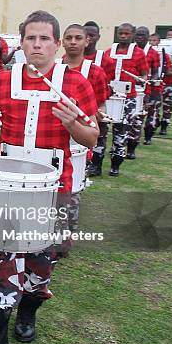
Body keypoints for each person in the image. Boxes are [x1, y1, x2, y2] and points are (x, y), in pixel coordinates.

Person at [0, 10, 98, 344]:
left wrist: (73, 125)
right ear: (21, 43)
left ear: (56, 44)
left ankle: (27, 313)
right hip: (7, 187)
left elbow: (93, 135)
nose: (37, 45)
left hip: (55, 189)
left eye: (44, 39)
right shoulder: (4, 80)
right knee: (0, 261)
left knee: (40, 263)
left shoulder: (76, 83)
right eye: (30, 38)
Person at [60, 24, 108, 230]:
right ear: (62, 41)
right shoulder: (52, 67)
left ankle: (67, 231)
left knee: (74, 185)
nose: (73, 42)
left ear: (86, 41)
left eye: (78, 38)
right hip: (55, 134)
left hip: (81, 136)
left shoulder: (95, 72)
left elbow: (101, 104)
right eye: (68, 38)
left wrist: (94, 114)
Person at [101, 23, 148, 177]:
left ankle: (116, 164)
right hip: (110, 96)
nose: (123, 36)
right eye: (120, 33)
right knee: (102, 130)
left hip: (128, 98)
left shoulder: (139, 53)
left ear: (132, 35)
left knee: (121, 131)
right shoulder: (109, 52)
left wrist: (140, 80)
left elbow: (143, 75)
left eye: (126, 34)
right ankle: (96, 163)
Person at [125, 26, 158, 159]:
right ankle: (120, 146)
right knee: (124, 120)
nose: (140, 37)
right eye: (138, 34)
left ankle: (132, 147)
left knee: (138, 119)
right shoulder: (128, 50)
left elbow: (155, 72)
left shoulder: (153, 53)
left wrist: (147, 82)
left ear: (148, 37)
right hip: (127, 91)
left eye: (143, 35)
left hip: (144, 91)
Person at [82, 20, 110, 176]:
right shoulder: (66, 58)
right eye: (86, 35)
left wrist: (100, 107)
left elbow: (110, 83)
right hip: (78, 107)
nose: (89, 39)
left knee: (99, 134)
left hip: (97, 103)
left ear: (98, 37)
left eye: (92, 35)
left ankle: (96, 165)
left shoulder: (104, 59)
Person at [143, 33, 171, 145]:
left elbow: (161, 71)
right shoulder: (139, 52)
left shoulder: (161, 54)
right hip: (142, 88)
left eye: (154, 40)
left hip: (154, 88)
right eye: (150, 40)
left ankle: (148, 136)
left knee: (153, 113)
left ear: (159, 42)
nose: (152, 42)